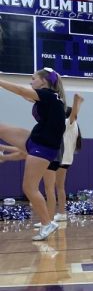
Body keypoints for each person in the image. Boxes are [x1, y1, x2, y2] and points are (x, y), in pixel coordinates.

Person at [0, 68, 68, 241]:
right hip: (35, 139)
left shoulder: (49, 95)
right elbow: (26, 95)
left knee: (29, 188)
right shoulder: (49, 97)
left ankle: (47, 223)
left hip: (44, 146)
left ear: (43, 81)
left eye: (33, 78)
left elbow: (22, 91)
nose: (31, 82)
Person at [43, 94, 84, 223]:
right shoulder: (73, 125)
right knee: (59, 188)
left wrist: (77, 101)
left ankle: (50, 217)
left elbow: (74, 115)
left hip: (60, 160)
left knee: (51, 188)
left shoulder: (69, 123)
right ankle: (61, 213)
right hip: (65, 160)